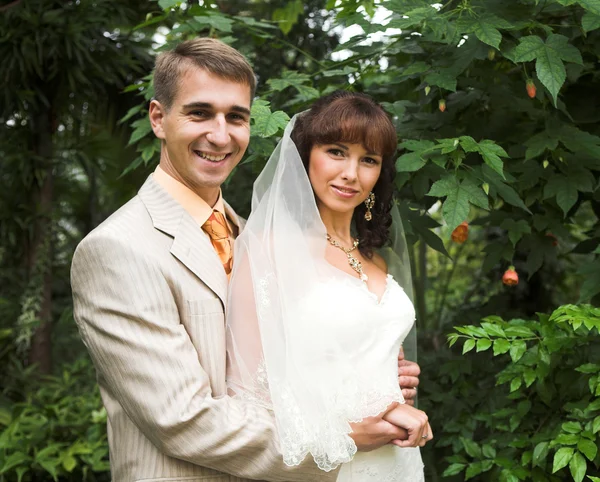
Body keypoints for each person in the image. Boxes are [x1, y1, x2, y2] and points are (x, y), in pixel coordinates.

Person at [70, 37, 421, 482]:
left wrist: (374, 375)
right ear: (159, 118)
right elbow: (182, 419)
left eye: (236, 117)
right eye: (200, 113)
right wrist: (346, 433)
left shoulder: (250, 232)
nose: (220, 135)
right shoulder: (118, 249)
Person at [226, 91, 430, 481]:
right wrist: (348, 431)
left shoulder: (375, 259)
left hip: (397, 463)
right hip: (325, 463)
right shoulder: (269, 251)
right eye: (337, 152)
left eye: (368, 159)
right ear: (306, 157)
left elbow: (361, 351)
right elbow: (248, 391)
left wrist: (395, 380)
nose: (352, 173)